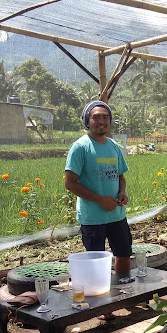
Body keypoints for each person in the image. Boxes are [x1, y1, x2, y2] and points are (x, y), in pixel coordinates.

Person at [64, 100, 132, 273]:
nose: (102, 121)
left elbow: (120, 175)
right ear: (87, 121)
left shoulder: (114, 147)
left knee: (123, 254)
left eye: (105, 117)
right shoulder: (80, 147)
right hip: (93, 218)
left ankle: (123, 291)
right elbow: (70, 183)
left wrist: (122, 192)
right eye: (96, 117)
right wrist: (100, 200)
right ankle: (101, 296)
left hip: (117, 215)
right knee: (96, 261)